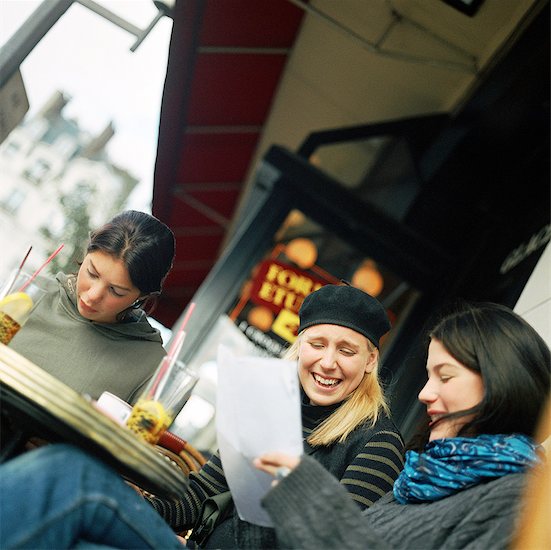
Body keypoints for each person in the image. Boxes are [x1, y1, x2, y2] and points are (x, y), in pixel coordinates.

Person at [0, 283, 404, 549]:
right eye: (317, 343)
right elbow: (194, 500)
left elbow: (342, 542)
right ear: (301, 346)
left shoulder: (377, 442)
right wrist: (139, 501)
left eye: (347, 351)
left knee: (71, 472)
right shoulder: (268, 405)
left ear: (370, 360)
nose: (328, 362)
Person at [254, 301, 550, 549]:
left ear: (502, 383)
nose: (424, 394)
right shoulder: (420, 478)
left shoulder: (520, 500)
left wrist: (310, 497)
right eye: (428, 377)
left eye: (445, 377)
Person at [9, 210, 175, 403]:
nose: (93, 296)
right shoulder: (27, 293)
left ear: (143, 295)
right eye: (92, 273)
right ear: (86, 251)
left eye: (116, 291)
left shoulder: (150, 367)